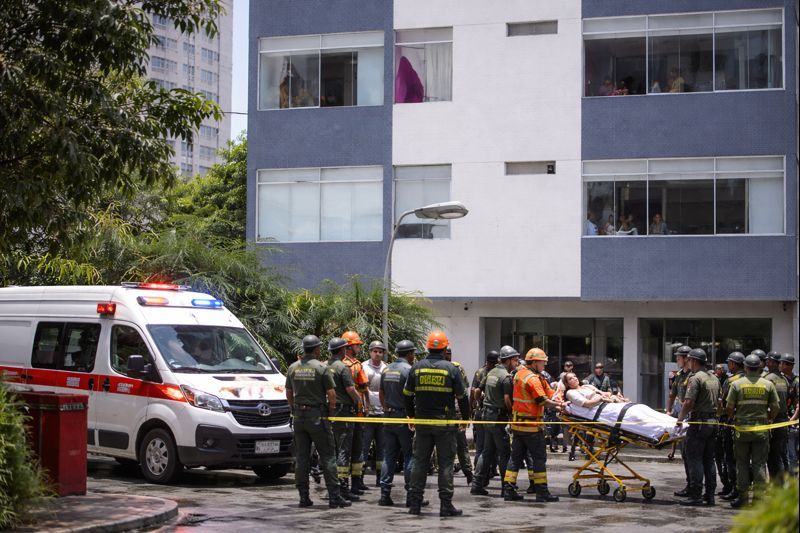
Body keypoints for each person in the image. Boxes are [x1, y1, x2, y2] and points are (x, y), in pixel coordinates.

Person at [404, 330, 470, 517]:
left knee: (419, 462)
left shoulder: (417, 368)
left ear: (427, 347)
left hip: (422, 423)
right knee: (446, 464)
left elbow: (407, 395)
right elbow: (462, 398)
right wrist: (465, 419)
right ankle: (445, 505)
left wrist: (411, 416)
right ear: (444, 348)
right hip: (445, 424)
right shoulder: (451, 369)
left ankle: (415, 504)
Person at [285, 335, 350, 508]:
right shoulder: (322, 368)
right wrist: (330, 411)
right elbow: (332, 394)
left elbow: (289, 393)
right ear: (316, 349)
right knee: (328, 456)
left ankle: (303, 497)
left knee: (302, 457)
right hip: (317, 418)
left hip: (299, 418)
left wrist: (294, 408)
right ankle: (334, 497)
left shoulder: (293, 367)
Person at [502, 348, 565, 502]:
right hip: (531, 427)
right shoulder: (532, 379)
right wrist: (560, 406)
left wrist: (557, 398)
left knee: (515, 458)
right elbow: (542, 401)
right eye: (542, 362)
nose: (544, 365)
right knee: (539, 458)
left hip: (518, 426)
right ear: (535, 362)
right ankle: (542, 492)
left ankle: (509, 490)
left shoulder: (520, 374)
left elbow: (548, 392)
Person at [726, 354, 780, 508]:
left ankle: (743, 498)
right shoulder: (768, 384)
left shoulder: (737, 384)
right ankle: (758, 499)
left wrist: (734, 417)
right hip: (761, 430)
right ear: (759, 367)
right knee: (759, 464)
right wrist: (769, 418)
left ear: (745, 367)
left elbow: (729, 407)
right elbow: (776, 407)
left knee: (742, 464)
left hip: (741, 429)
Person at [676, 348, 720, 506]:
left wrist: (680, 419)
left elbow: (688, 402)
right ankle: (710, 495)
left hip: (699, 424)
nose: (688, 362)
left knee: (694, 459)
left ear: (694, 361)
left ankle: (696, 495)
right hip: (713, 423)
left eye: (689, 360)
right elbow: (720, 402)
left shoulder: (695, 378)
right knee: (709, 460)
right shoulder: (714, 378)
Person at [378, 340, 419, 507]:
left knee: (389, 456)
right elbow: (413, 395)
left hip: (388, 416)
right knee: (409, 455)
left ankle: (384, 495)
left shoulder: (386, 369)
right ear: (409, 353)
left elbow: (381, 393)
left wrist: (387, 409)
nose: (414, 356)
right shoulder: (409, 370)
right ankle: (411, 495)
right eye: (413, 353)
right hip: (404, 417)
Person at [471, 345, 516, 496]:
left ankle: (476, 485)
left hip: (486, 416)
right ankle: (506, 488)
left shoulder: (491, 372)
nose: (516, 363)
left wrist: (480, 403)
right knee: (504, 453)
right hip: (498, 419)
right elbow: (507, 399)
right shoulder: (506, 377)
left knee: (486, 452)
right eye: (515, 360)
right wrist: (511, 415)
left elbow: (477, 390)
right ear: (508, 360)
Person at [327, 336, 365, 502]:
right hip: (344, 412)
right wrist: (359, 402)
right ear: (343, 349)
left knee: (333, 450)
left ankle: (333, 486)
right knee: (344, 450)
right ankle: (343, 488)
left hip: (329, 412)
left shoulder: (324, 365)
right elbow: (351, 389)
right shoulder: (343, 367)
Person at [341, 330, 371, 494]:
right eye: (357, 345)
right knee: (355, 449)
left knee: (345, 449)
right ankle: (354, 484)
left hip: (342, 413)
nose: (359, 347)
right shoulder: (356, 365)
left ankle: (347, 484)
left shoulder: (335, 365)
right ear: (348, 347)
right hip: (355, 412)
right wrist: (366, 407)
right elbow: (364, 389)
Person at [444, 346, 474, 485]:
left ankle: (467, 473)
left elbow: (463, 392)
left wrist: (464, 414)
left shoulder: (455, 368)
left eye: (448, 354)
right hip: (449, 412)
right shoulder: (455, 368)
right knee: (457, 445)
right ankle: (464, 473)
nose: (447, 356)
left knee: (460, 444)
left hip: (451, 412)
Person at [718, 352, 745, 501]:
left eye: (729, 362)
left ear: (734, 364)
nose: (728, 365)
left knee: (729, 457)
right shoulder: (750, 379)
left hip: (731, 422)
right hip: (747, 423)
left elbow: (724, 404)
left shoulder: (730, 381)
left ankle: (733, 487)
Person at [667, 345, 692, 497]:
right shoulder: (679, 376)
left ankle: (695, 487)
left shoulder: (694, 376)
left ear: (687, 358)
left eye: (678, 357)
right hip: (681, 418)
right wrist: (668, 411)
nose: (676, 360)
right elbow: (672, 395)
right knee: (685, 454)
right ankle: (690, 484)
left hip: (692, 419)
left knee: (692, 455)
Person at [363, 340, 388, 487]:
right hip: (368, 414)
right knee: (364, 448)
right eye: (375, 351)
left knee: (382, 449)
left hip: (382, 413)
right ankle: (359, 479)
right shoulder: (363, 367)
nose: (377, 354)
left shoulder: (386, 368)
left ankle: (381, 479)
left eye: (380, 351)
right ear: (370, 352)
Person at [471, 350, 499, 471]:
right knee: (484, 445)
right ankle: (481, 470)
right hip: (487, 412)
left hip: (483, 411)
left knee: (486, 444)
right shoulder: (489, 373)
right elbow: (474, 391)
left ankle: (488, 470)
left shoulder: (481, 372)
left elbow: (473, 391)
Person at [764, 351, 790, 478]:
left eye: (768, 360)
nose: (766, 362)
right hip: (783, 419)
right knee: (781, 454)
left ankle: (778, 484)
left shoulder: (768, 379)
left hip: (773, 419)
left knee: (773, 456)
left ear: (774, 363)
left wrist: (770, 419)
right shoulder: (784, 379)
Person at [779, 353, 798, 470]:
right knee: (784, 454)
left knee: (792, 455)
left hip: (793, 423)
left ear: (789, 366)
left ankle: (793, 478)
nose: (780, 365)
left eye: (782, 363)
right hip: (785, 422)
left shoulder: (796, 381)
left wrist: (792, 420)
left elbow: (798, 405)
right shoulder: (782, 380)